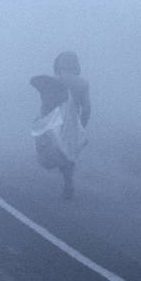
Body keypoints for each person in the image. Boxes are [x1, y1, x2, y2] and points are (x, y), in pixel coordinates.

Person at [30, 51, 91, 200]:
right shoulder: (83, 84)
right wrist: (82, 126)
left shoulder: (54, 80)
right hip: (73, 123)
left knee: (51, 149)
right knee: (68, 154)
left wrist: (41, 122)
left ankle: (54, 166)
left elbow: (46, 104)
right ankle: (68, 182)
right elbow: (87, 108)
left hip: (54, 121)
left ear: (59, 64)